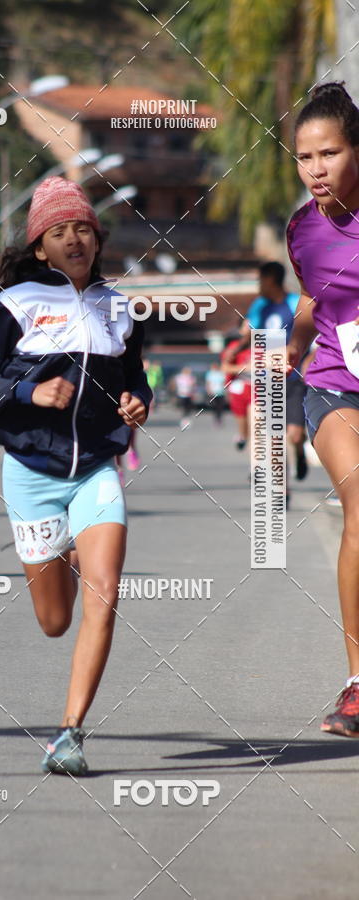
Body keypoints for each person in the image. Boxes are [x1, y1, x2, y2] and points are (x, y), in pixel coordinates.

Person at [0, 176, 151, 775]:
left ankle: (70, 733)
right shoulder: (14, 305)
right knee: (53, 621)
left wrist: (138, 400)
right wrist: (28, 390)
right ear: (41, 247)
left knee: (106, 593)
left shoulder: (118, 308)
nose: (73, 239)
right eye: (59, 232)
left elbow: (135, 377)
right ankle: (58, 552)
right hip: (32, 475)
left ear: (97, 238)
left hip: (96, 470)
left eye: (83, 228)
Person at [287, 81, 359, 736]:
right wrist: (288, 350)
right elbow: (315, 301)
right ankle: (358, 686)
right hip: (335, 386)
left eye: (329, 154)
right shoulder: (304, 231)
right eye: (304, 158)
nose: (316, 170)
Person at [225, 263, 307, 496]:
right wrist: (236, 348)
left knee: (294, 434)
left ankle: (300, 452)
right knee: (274, 437)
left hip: (294, 376)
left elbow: (307, 330)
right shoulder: (259, 306)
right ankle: (283, 489)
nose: (258, 285)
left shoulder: (293, 303)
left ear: (272, 279)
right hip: (268, 377)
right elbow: (249, 333)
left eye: (261, 280)